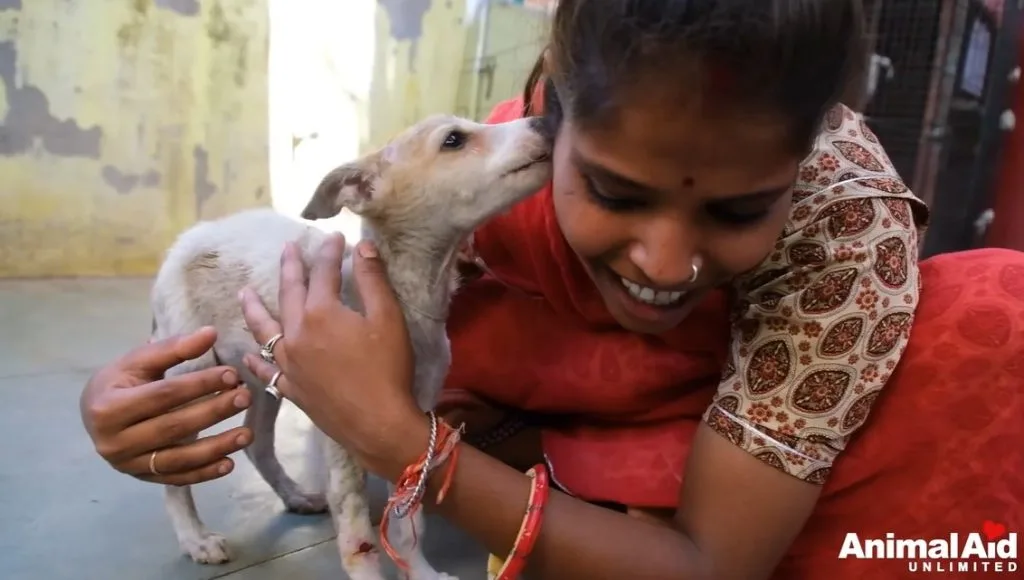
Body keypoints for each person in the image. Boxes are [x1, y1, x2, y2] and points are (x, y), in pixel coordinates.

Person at [81, 0, 1024, 578]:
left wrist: (404, 444)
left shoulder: (844, 240)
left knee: (993, 319)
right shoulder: (498, 172)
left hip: (749, 427)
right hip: (548, 406)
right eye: (615, 193)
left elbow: (709, 563)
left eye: (739, 210)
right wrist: (125, 398)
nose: (665, 264)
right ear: (552, 129)